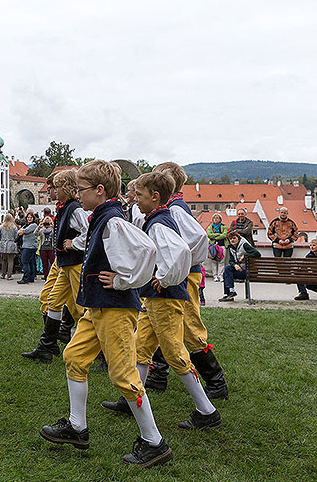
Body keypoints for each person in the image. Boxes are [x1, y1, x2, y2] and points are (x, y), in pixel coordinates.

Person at [39, 160, 172, 468]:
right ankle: (77, 426)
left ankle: (154, 442)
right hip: (97, 307)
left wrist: (123, 281)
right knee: (74, 357)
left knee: (124, 376)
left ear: (99, 191)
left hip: (114, 309)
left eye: (81, 189)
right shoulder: (101, 217)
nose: (77, 194)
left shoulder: (112, 220)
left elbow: (147, 252)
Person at [100, 171, 221, 431]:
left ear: (155, 197)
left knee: (175, 353)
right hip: (154, 298)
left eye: (140, 196)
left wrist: (164, 278)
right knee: (141, 348)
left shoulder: (158, 223)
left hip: (165, 298)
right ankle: (131, 397)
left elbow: (179, 253)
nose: (137, 200)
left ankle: (206, 409)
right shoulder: (157, 218)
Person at [146, 162, 229, 400]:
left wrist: (180, 266)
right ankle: (157, 373)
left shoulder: (176, 209)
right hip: (177, 273)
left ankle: (216, 382)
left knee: (191, 326)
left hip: (185, 275)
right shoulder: (169, 207)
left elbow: (199, 238)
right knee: (154, 324)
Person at [23, 170, 88, 363]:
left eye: (57, 187)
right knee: (53, 301)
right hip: (66, 264)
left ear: (67, 188)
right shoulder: (65, 207)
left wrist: (73, 243)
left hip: (75, 264)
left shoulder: (74, 208)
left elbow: (88, 231)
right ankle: (47, 345)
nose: (53, 191)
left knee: (81, 308)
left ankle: (101, 350)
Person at [219, 230, 261, 302]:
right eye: (231, 238)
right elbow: (231, 260)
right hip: (240, 269)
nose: (232, 240)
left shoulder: (244, 244)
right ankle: (231, 292)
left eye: (234, 238)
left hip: (248, 271)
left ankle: (230, 293)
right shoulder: (231, 247)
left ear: (238, 238)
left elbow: (257, 254)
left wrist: (245, 255)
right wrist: (234, 265)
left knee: (226, 271)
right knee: (226, 271)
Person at [17, 213, 38, 284]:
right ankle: (31, 277)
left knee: (25, 262)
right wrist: (21, 231)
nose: (29, 219)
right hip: (27, 245)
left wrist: (22, 231)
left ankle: (26, 278)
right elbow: (19, 231)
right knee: (30, 262)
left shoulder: (33, 225)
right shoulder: (26, 225)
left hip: (29, 246)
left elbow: (24, 231)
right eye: (28, 217)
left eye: (31, 217)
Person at [0, 213, 18, 280]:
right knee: (11, 260)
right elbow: (16, 236)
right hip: (11, 243)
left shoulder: (1, 226)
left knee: (4, 260)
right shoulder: (14, 227)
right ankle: (9, 275)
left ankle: (3, 274)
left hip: (3, 244)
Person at [37, 216, 55, 281]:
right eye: (45, 223)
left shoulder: (53, 230)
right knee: (44, 264)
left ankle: (53, 277)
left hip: (51, 248)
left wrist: (53, 226)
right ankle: (46, 277)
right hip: (43, 248)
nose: (47, 225)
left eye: (48, 223)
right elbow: (35, 233)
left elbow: (58, 233)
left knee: (53, 263)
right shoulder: (41, 230)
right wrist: (39, 226)